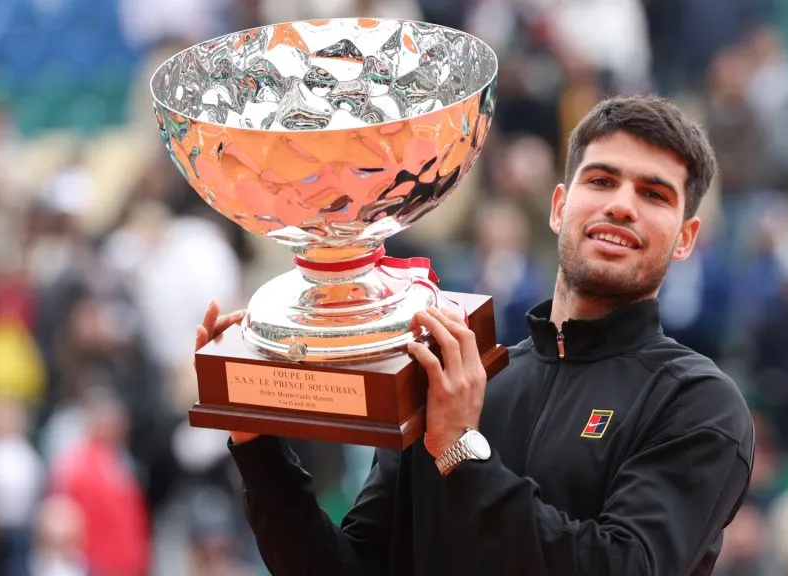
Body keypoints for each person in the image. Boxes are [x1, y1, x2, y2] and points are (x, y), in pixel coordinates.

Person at [199, 95, 755, 575]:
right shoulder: (454, 381)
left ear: (685, 239)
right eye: (602, 179)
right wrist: (257, 444)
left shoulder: (695, 403)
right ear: (560, 207)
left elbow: (622, 568)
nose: (621, 204)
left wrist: (462, 452)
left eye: (654, 194)